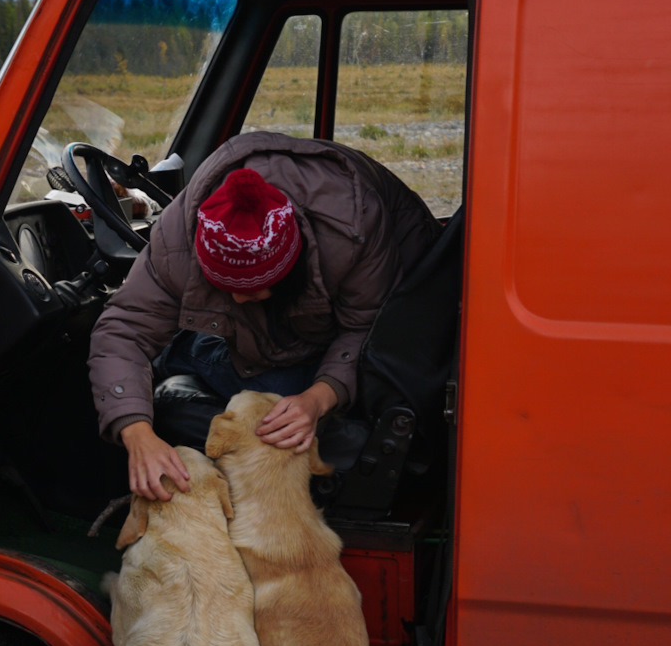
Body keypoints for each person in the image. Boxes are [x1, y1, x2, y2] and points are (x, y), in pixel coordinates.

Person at [89, 130, 441, 500]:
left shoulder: (351, 230)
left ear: (293, 265)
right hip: (294, 332)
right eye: (226, 287)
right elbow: (123, 330)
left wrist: (318, 399)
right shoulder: (179, 235)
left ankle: (183, 354)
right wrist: (138, 434)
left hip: (394, 336)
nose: (240, 300)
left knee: (277, 404)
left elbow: (367, 329)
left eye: (254, 289)